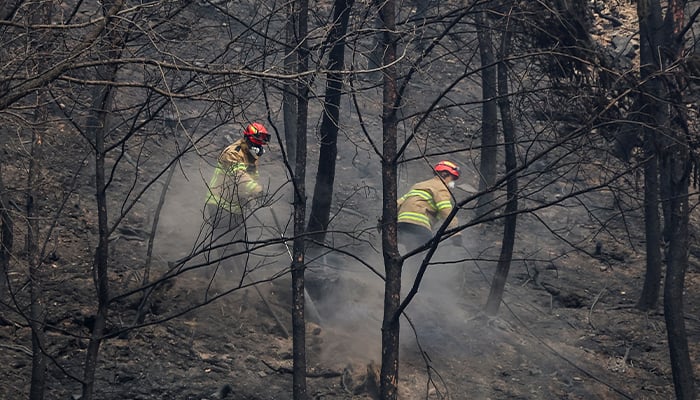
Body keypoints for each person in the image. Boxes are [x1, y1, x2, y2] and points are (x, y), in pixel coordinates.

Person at [204, 122, 270, 275]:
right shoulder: (233, 153)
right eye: (256, 142)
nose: (259, 147)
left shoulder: (250, 156)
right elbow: (239, 177)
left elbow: (251, 178)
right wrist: (257, 190)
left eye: (261, 143)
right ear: (247, 139)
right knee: (224, 241)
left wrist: (253, 195)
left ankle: (242, 273)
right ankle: (231, 275)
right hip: (219, 202)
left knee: (239, 240)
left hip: (235, 206)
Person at [397, 160, 462, 256]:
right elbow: (446, 211)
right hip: (419, 226)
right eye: (451, 179)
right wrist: (455, 233)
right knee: (426, 252)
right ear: (444, 174)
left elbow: (398, 203)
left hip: (401, 225)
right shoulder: (441, 187)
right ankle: (414, 269)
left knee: (412, 252)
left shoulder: (418, 185)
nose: (452, 183)